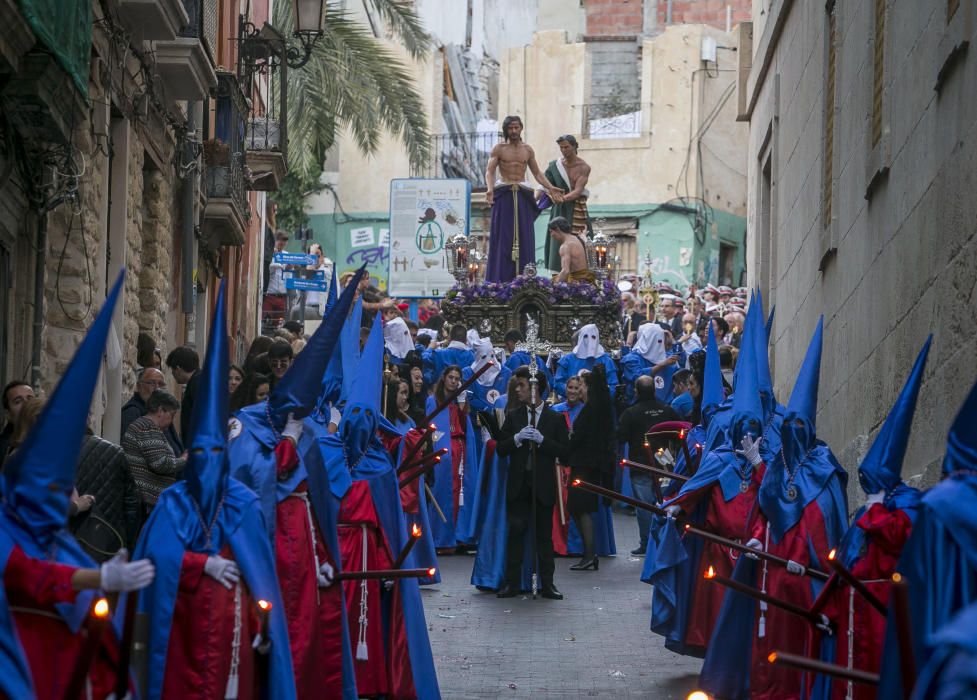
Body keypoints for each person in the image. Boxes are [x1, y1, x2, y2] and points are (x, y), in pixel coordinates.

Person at [133, 282, 297, 700]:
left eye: (215, 452)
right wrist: (199, 566)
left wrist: (265, 627)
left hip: (233, 633)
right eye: (199, 451)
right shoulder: (173, 502)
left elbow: (260, 573)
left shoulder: (241, 503)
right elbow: (154, 561)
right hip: (181, 632)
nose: (206, 460)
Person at [0, 272, 156, 700]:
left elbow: (91, 630)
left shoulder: (58, 539)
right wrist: (99, 575)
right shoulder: (5, 531)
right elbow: (32, 577)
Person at [306, 314, 441, 699]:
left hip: (372, 555)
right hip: (336, 551)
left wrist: (389, 562)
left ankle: (374, 681)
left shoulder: (380, 461)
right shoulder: (326, 452)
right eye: (356, 417)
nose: (362, 425)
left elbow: (390, 519)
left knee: (372, 621)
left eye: (369, 417)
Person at [814, 338, 929, 700]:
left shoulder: (908, 503)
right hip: (853, 610)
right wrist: (826, 609)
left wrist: (878, 510)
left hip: (885, 613)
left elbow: (903, 537)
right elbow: (845, 562)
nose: (867, 487)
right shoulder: (869, 509)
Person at [495, 367, 570, 600]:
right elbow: (500, 448)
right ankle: (512, 583)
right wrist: (516, 439)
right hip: (519, 484)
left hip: (543, 486)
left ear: (535, 389)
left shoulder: (554, 418)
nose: (517, 390)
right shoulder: (514, 416)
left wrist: (543, 441)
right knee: (516, 533)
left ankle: (548, 583)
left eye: (522, 386)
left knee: (543, 537)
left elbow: (566, 453)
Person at [484, 116, 562, 282]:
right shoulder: (499, 149)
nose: (513, 131)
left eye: (516, 127)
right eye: (510, 128)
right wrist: (490, 189)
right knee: (503, 237)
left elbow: (537, 173)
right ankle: (500, 280)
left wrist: (550, 187)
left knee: (524, 236)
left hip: (522, 194)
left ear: (521, 128)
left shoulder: (528, 150)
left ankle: (526, 279)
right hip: (504, 193)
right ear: (506, 130)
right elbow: (490, 171)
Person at [617, 376, 681, 556]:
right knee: (665, 502)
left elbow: (621, 436)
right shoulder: (666, 410)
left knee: (644, 506)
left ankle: (646, 543)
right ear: (654, 390)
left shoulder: (631, 412)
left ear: (636, 391)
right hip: (665, 461)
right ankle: (665, 541)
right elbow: (680, 430)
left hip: (640, 463)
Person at [566, 365, 616, 571]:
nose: (579, 390)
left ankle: (589, 554)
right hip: (590, 464)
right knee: (579, 508)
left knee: (581, 507)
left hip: (584, 465)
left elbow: (580, 437)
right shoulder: (599, 408)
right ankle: (589, 553)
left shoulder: (590, 410)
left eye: (582, 386)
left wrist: (570, 438)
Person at [122, 389, 186, 514]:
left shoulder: (144, 426)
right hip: (147, 502)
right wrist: (184, 459)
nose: (172, 420)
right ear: (161, 411)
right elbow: (160, 464)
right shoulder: (147, 428)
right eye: (172, 415)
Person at [541, 134, 592, 270]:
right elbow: (543, 185)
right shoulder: (554, 166)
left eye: (567, 147)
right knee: (556, 241)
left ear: (575, 146)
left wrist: (562, 199)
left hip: (576, 209)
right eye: (561, 147)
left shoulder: (584, 167)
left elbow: (578, 191)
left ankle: (581, 274)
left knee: (582, 240)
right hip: (559, 210)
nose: (564, 150)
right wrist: (534, 202)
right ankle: (558, 274)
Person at [121, 366, 184, 456]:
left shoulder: (159, 410)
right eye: (151, 383)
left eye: (161, 384)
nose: (157, 388)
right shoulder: (133, 412)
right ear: (139, 386)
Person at [620, 323, 680, 406]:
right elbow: (638, 378)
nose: (659, 344)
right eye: (656, 340)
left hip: (666, 408)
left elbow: (680, 373)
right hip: (639, 408)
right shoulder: (631, 359)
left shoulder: (667, 358)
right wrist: (661, 365)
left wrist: (673, 341)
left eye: (660, 340)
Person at [554, 324, 618, 398]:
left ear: (597, 339)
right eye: (585, 337)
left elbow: (613, 386)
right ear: (580, 338)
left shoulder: (606, 361)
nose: (589, 341)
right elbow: (558, 383)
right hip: (572, 403)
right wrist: (574, 393)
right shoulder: (567, 360)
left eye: (593, 337)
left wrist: (596, 397)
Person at [165, 345, 200, 440]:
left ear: (178, 369)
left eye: (173, 371)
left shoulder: (196, 385)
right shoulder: (199, 381)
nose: (173, 375)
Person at [548, 217, 595, 284]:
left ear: (557, 229)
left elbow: (565, 271)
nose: (551, 235)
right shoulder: (576, 238)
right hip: (587, 279)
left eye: (551, 232)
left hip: (578, 282)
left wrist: (553, 287)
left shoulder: (565, 246)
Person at [0, 380, 34, 465]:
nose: (26, 403)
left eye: (30, 398)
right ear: (8, 414)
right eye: (18, 401)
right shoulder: (4, 450)